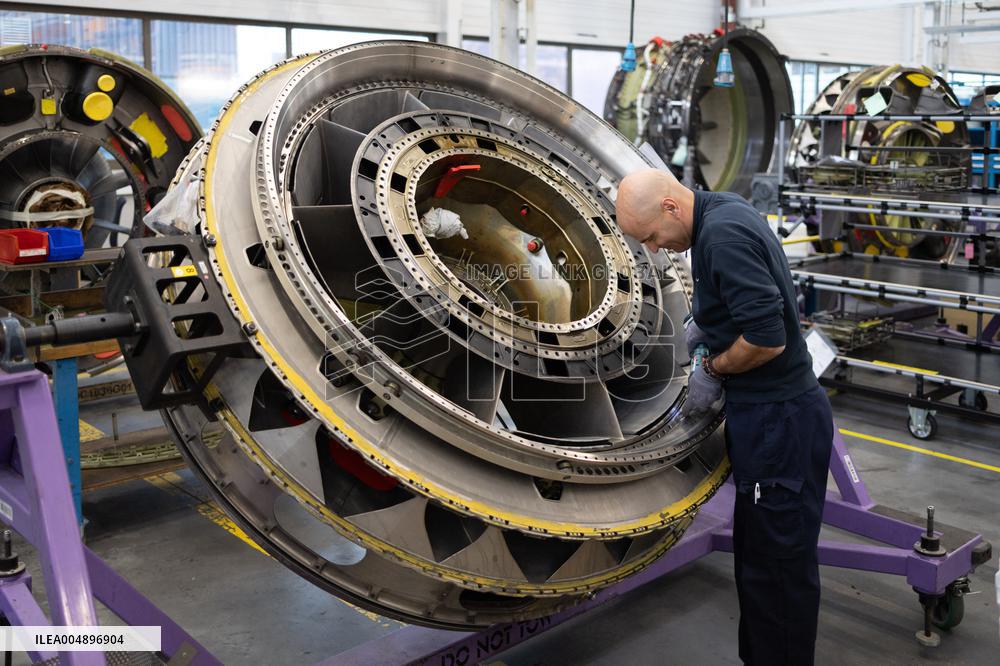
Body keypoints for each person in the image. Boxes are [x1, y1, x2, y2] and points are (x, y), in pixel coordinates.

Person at [615, 168, 834, 665]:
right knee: (764, 561)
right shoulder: (723, 209)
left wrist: (713, 366)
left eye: (651, 236)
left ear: (671, 208)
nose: (654, 248)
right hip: (775, 417)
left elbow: (766, 337)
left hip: (779, 423)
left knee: (775, 573)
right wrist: (706, 324)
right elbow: (748, 308)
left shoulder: (721, 237)